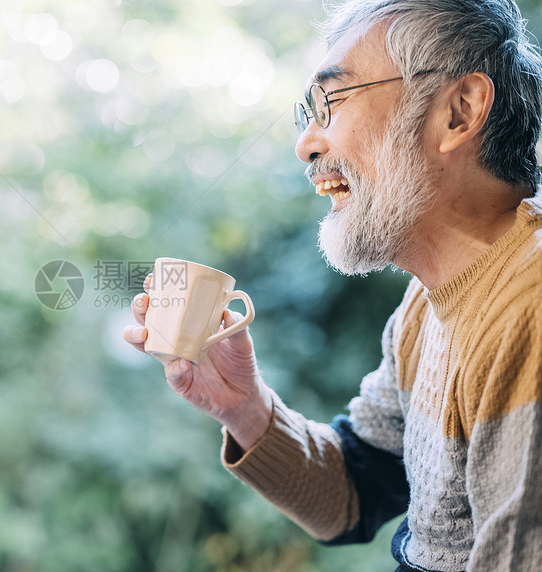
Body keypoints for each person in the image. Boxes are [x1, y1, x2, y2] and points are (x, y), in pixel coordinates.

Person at [124, 0, 542, 570]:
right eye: (308, 114)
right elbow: (356, 491)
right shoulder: (425, 305)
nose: (306, 145)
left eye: (333, 101)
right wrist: (244, 407)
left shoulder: (530, 303)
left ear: (458, 112)